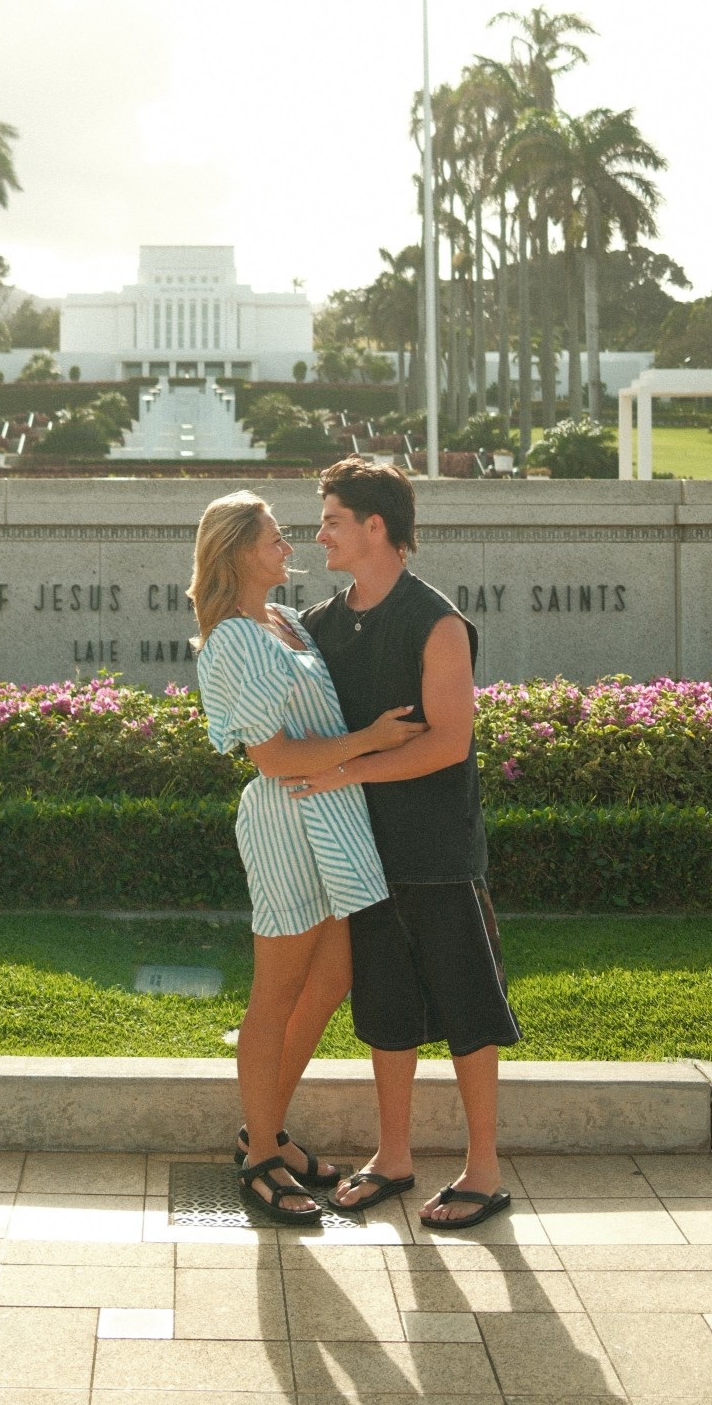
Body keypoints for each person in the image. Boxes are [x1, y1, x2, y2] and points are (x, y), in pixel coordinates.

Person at [292, 456, 522, 1230]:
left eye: (331, 519)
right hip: (362, 858)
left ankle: (483, 1172)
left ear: (375, 526)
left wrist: (347, 771)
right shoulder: (320, 625)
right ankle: (393, 1158)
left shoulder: (438, 622)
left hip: (438, 854)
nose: (318, 534)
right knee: (386, 1010)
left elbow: (448, 744)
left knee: (466, 1007)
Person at [190, 490, 427, 1224]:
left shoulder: (287, 622)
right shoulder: (233, 638)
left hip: (334, 815)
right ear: (234, 551)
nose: (288, 547)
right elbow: (273, 756)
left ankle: (263, 1131)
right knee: (277, 992)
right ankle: (261, 1158)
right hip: (288, 820)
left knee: (329, 980)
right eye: (272, 539)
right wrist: (370, 742)